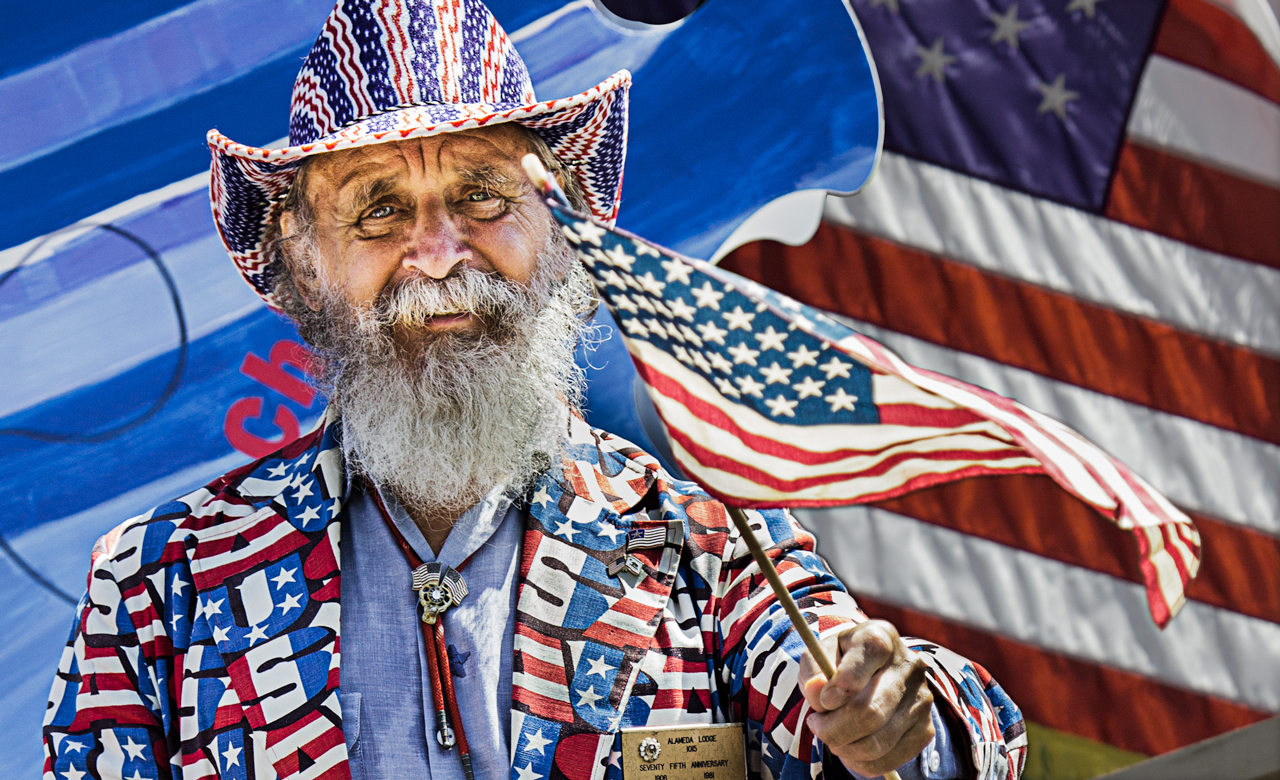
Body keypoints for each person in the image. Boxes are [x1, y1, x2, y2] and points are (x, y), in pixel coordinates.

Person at [43, 2, 1026, 779]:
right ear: (304, 266)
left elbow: (949, 742)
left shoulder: (709, 551)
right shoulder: (159, 588)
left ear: (556, 229)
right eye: (377, 209)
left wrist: (895, 716)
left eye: (481, 194)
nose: (437, 255)